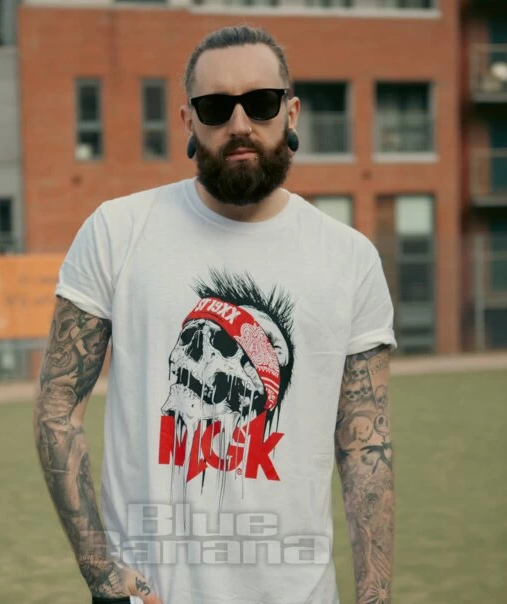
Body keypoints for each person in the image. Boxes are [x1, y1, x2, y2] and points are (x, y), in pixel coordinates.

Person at [33, 26, 396, 604]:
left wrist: (374, 597)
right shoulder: (117, 232)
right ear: (188, 121)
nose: (239, 123)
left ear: (291, 112)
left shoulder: (349, 259)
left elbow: (365, 449)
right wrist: (101, 571)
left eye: (261, 102)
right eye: (215, 107)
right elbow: (57, 409)